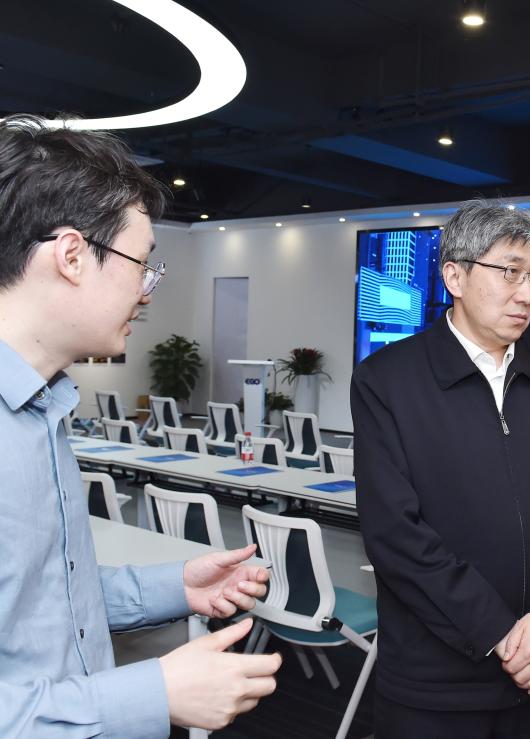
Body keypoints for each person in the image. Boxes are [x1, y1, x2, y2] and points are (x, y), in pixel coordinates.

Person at [0, 114, 281, 736]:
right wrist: (152, 694)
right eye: (142, 263)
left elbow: (41, 604)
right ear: (72, 255)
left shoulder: (43, 411)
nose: (147, 291)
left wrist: (174, 587)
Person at [351, 201, 530, 738]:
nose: (528, 294)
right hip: (436, 679)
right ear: (455, 276)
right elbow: (394, 533)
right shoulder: (388, 379)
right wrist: (501, 634)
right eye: (510, 272)